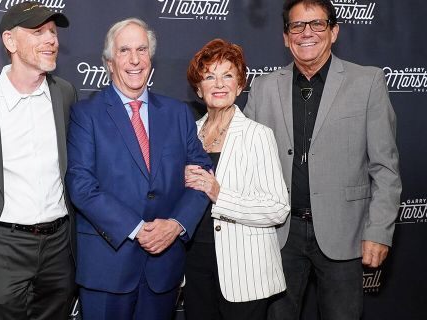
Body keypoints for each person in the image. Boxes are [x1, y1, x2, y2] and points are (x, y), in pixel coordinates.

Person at [244, 0, 402, 319]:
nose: (307, 33)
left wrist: (378, 231)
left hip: (345, 232)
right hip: (280, 235)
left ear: (333, 32)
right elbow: (245, 159)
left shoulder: (367, 83)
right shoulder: (262, 88)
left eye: (317, 24)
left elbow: (385, 169)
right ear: (286, 37)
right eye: (297, 26)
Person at [65, 18, 211, 320]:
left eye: (142, 50)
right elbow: (80, 184)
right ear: (108, 61)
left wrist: (176, 224)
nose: (135, 59)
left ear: (150, 58)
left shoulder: (177, 113)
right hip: (107, 267)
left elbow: (201, 177)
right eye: (124, 51)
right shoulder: (85, 114)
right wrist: (136, 229)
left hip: (163, 269)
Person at [0, 2, 76, 319]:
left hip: (59, 248)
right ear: (10, 41)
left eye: (52, 32)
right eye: (38, 32)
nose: (51, 40)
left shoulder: (66, 94)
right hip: (0, 247)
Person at [182, 38, 290, 320]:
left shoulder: (258, 135)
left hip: (244, 268)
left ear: (240, 85)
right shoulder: (186, 134)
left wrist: (220, 194)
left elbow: (277, 207)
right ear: (198, 88)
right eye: (209, 76)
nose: (219, 84)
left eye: (228, 75)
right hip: (194, 262)